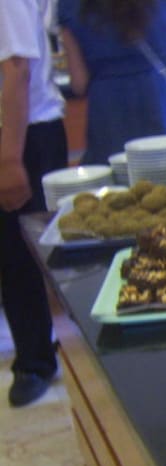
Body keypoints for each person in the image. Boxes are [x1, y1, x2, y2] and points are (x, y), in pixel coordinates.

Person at [0, 0, 67, 408]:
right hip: (15, 133)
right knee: (11, 256)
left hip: (26, 135)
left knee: (26, 254)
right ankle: (34, 353)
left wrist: (9, 159)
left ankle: (37, 361)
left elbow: (17, 70)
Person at [57, 0, 166, 164]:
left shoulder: (70, 5)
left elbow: (79, 83)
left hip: (108, 114)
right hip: (160, 102)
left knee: (117, 173)